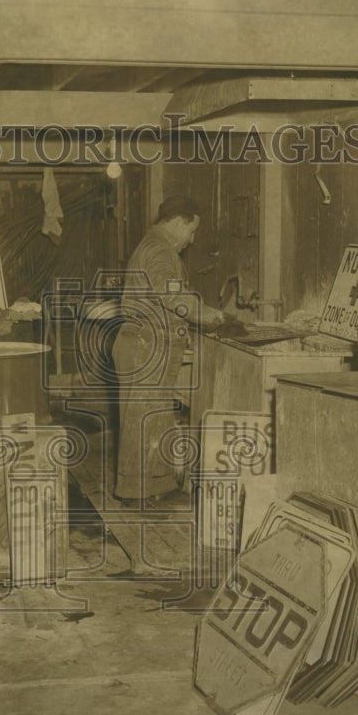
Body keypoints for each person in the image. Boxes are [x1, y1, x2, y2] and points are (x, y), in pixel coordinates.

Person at [111, 195, 226, 505]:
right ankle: (137, 492)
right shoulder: (161, 251)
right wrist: (208, 315)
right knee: (145, 417)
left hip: (142, 344)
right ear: (178, 223)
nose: (192, 239)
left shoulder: (151, 245)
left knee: (152, 416)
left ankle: (153, 487)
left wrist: (185, 324)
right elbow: (170, 294)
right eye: (191, 231)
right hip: (145, 346)